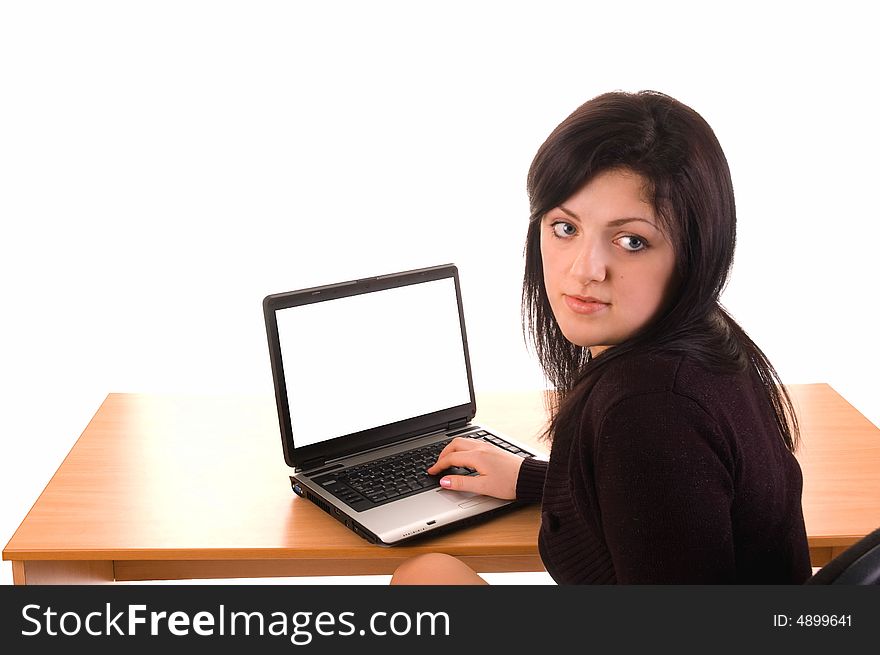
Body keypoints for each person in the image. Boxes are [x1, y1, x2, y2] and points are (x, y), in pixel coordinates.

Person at [391, 90, 812, 585]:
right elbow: (673, 504)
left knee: (426, 583)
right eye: (565, 227)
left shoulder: (651, 407)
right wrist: (532, 479)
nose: (585, 270)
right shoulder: (703, 343)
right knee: (431, 573)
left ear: (693, 253)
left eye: (631, 240)